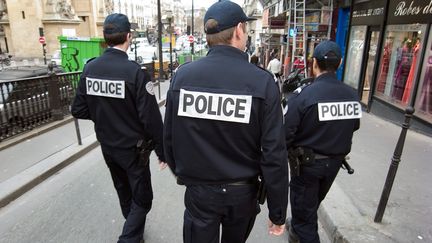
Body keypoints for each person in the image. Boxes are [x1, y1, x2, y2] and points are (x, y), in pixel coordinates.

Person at [163, 1, 288, 243]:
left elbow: (169, 138)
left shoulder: (183, 78)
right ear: (239, 30)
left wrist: (184, 175)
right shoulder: (262, 83)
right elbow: (274, 153)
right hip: (242, 194)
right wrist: (278, 211)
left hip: (200, 192)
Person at [71, 13, 166, 243]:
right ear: (129, 37)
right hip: (133, 150)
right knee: (143, 199)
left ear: (105, 38)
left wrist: (106, 119)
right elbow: (151, 120)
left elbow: (78, 109)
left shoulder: (90, 69)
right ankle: (129, 237)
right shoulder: (135, 73)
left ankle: (136, 234)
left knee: (124, 191)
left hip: (108, 147)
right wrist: (163, 153)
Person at [284, 40, 362, 243]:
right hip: (334, 163)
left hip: (307, 166)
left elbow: (286, 132)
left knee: (304, 220)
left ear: (313, 63)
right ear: (341, 63)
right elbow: (354, 126)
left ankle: (301, 231)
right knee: (310, 207)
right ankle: (297, 229)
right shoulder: (352, 95)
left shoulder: (303, 95)